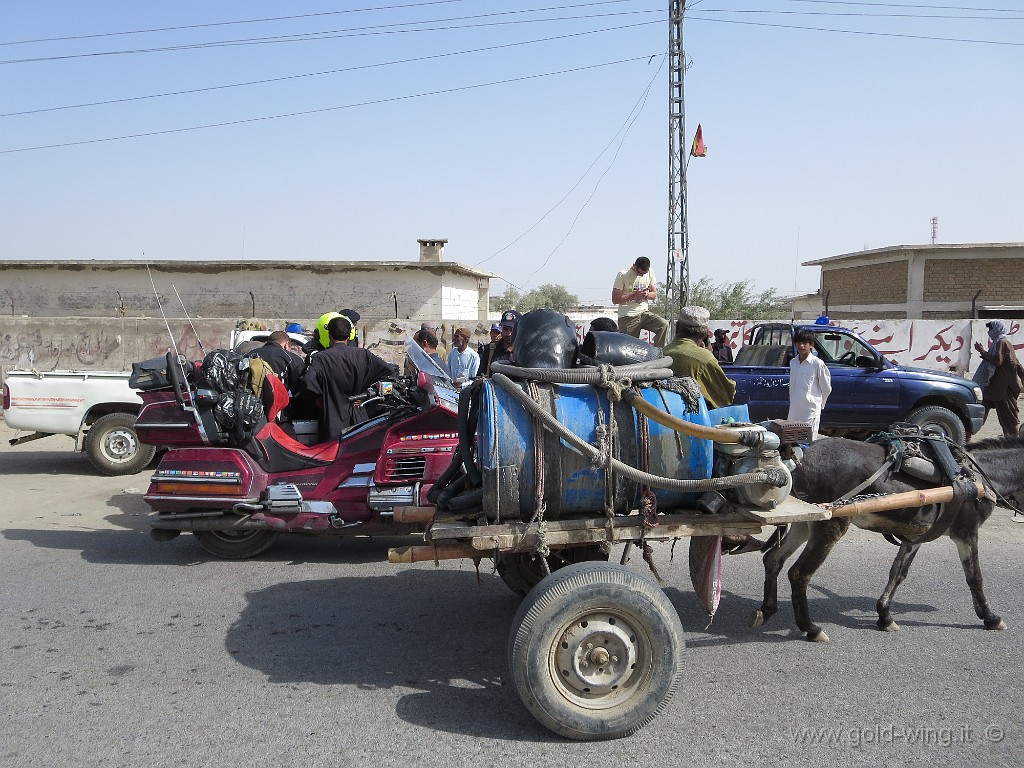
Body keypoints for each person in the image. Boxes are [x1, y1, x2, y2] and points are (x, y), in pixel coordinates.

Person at [299, 315, 394, 442]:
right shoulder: (363, 355)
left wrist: (319, 399)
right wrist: (367, 395)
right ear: (349, 336)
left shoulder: (320, 358)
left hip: (332, 423)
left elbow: (307, 383)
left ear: (330, 335)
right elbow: (390, 373)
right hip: (360, 420)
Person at [663, 306, 736, 409]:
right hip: (692, 421)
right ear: (706, 333)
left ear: (677, 327)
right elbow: (725, 397)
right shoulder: (705, 359)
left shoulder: (661, 353)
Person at [973, 320, 1021, 437]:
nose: (990, 332)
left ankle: (1013, 443)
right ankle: (966, 435)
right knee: (980, 412)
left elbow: (997, 361)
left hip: (1002, 388)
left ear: (997, 330)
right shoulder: (999, 343)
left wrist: (982, 351)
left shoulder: (1002, 342)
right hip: (993, 386)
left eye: (991, 329)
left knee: (1008, 417)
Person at [611, 257, 669, 347]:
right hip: (628, 316)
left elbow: (654, 295)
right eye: (640, 273)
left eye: (644, 274)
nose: (642, 275)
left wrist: (646, 294)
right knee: (629, 347)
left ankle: (659, 352)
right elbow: (615, 299)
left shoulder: (650, 272)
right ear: (634, 266)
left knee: (663, 324)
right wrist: (634, 295)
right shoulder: (622, 275)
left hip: (643, 313)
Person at [788, 328, 832, 440]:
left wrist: (820, 405)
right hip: (795, 409)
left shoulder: (817, 363)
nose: (801, 346)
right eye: (798, 343)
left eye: (804, 343)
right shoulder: (793, 363)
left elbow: (826, 388)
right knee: (792, 439)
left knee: (809, 440)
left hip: (810, 410)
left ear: (811, 345)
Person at [480, 310, 520, 374]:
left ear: (519, 329)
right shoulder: (490, 351)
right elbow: (481, 375)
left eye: (512, 329)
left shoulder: (525, 352)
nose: (509, 334)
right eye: (505, 329)